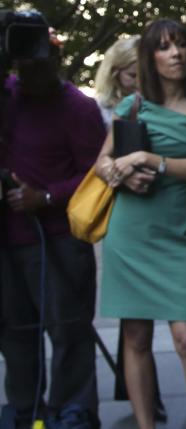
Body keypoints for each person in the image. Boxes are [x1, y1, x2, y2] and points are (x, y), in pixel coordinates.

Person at [96, 18, 186, 429]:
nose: (176, 54)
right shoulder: (130, 106)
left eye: (182, 45)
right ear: (150, 58)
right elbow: (101, 164)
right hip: (130, 234)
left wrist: (149, 160)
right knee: (134, 338)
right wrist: (121, 173)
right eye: (166, 47)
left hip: (179, 236)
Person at [0, 34, 103, 429]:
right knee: (13, 331)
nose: (29, 73)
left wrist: (44, 196)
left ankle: (72, 410)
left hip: (58, 241)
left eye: (39, 65)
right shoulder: (7, 97)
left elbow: (96, 177)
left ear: (57, 61)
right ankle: (25, 407)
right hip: (8, 240)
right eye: (22, 65)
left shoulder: (79, 107)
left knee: (68, 330)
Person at [93, 35, 139, 125]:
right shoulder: (100, 110)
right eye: (133, 75)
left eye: (146, 75)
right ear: (114, 73)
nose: (140, 82)